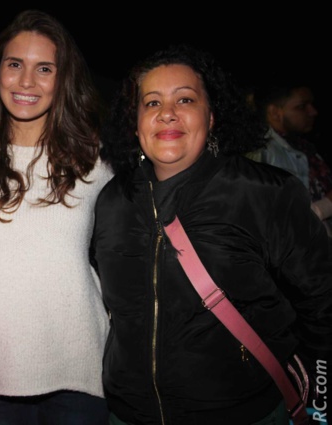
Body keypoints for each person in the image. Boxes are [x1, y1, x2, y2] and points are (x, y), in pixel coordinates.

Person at [91, 44, 332, 424]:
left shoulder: (265, 193)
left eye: (184, 99)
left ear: (212, 115)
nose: (167, 112)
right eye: (151, 103)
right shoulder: (110, 202)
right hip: (128, 414)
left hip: (242, 413)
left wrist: (321, 407)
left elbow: (322, 306)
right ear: (135, 123)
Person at [0, 9, 113, 425]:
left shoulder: (96, 164)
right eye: (15, 65)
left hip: (79, 378)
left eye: (44, 68)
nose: (26, 82)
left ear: (62, 80)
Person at [246, 81, 332, 238]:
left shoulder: (304, 148)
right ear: (274, 112)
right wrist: (327, 204)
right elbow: (272, 221)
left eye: (311, 104)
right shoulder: (262, 152)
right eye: (301, 106)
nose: (312, 112)